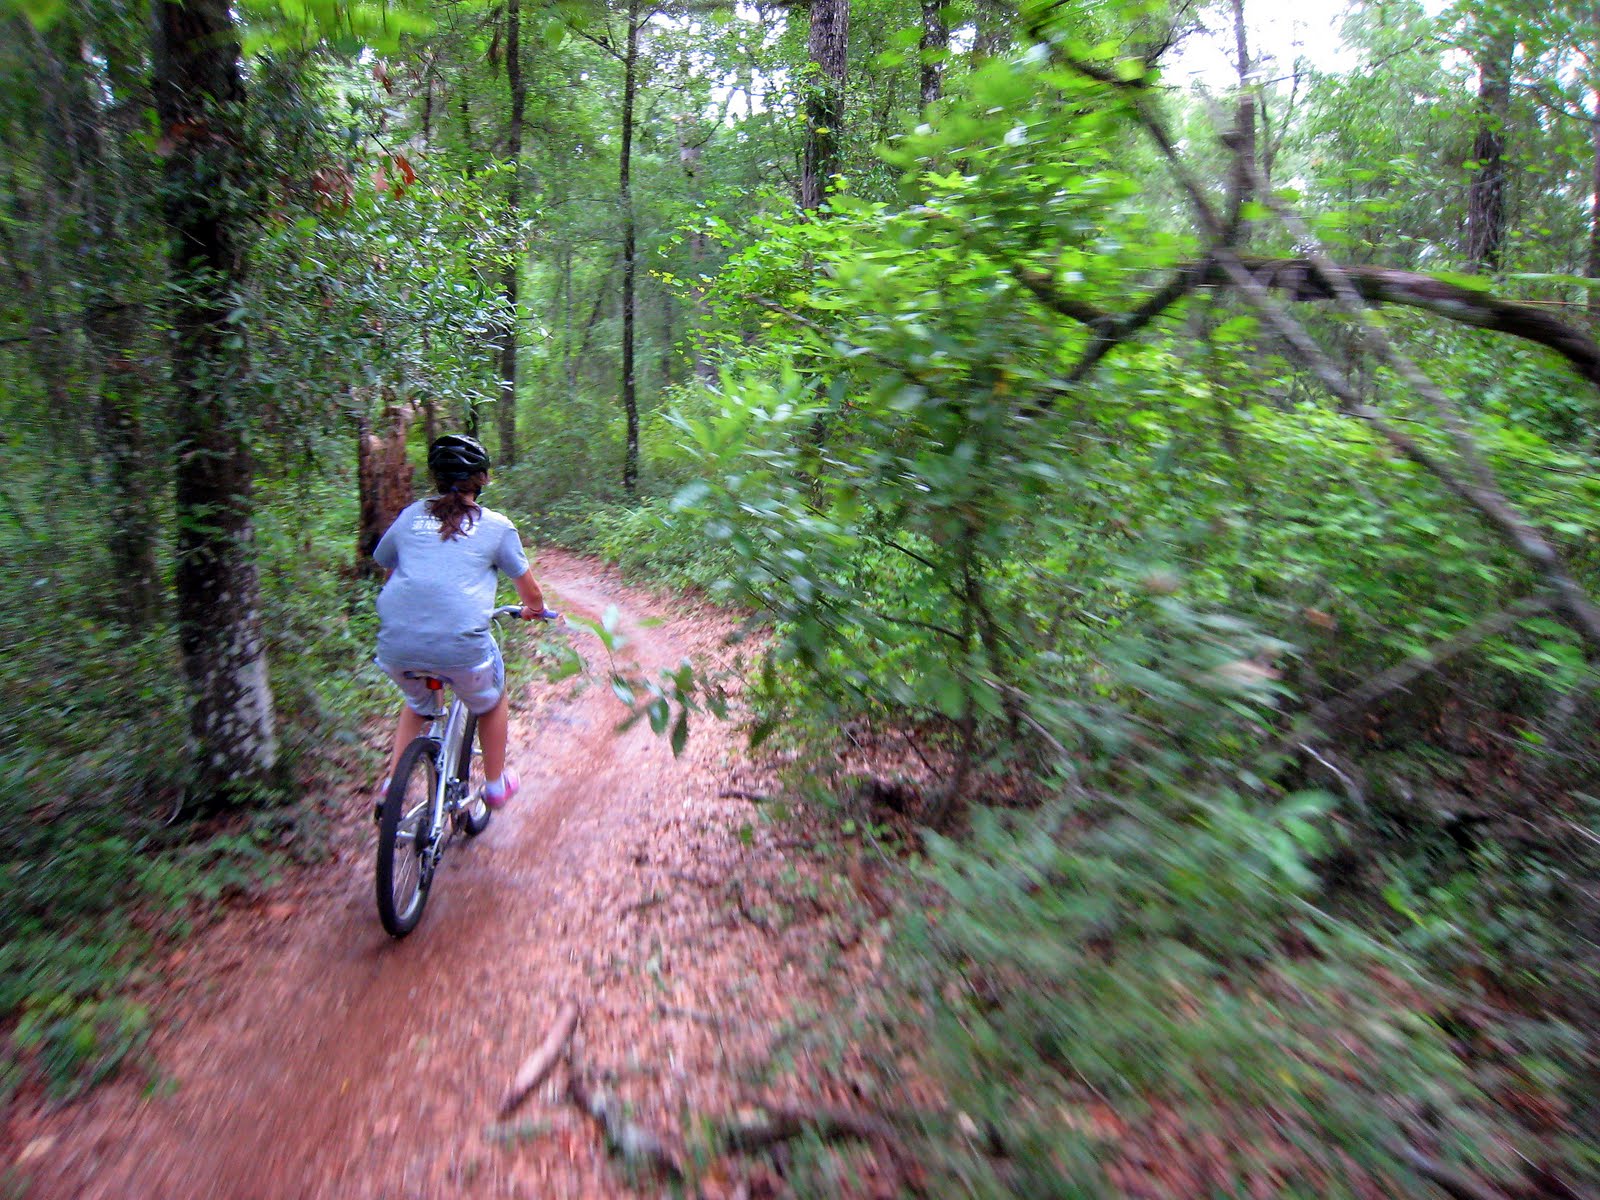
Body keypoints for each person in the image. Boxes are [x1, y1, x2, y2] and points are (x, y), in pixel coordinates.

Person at [372, 433, 547, 811]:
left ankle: (391, 785)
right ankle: (496, 785)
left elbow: (385, 560)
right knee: (491, 701)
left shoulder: (411, 515)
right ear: (482, 479)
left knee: (418, 704)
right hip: (463, 649)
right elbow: (530, 593)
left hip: (395, 645)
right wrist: (534, 609)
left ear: (435, 477)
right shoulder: (497, 526)